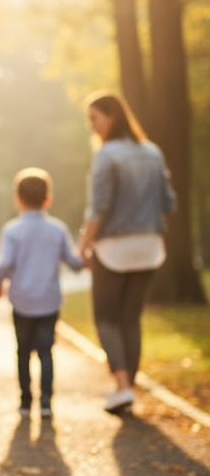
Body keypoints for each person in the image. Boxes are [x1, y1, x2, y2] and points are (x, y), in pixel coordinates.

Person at [77, 91, 176, 415]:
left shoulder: (107, 155)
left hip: (114, 248)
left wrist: (83, 244)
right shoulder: (152, 152)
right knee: (131, 319)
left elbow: (99, 209)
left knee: (105, 318)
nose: (92, 126)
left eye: (95, 118)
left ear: (112, 116)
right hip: (149, 247)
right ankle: (127, 388)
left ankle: (121, 387)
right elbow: (168, 203)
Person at [0, 168, 83, 418]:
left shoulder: (12, 231)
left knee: (23, 352)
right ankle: (46, 403)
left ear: (17, 199)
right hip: (48, 301)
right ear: (48, 198)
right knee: (46, 352)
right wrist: (86, 255)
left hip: (22, 300)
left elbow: (4, 265)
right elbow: (74, 263)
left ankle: (25, 402)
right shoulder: (58, 229)